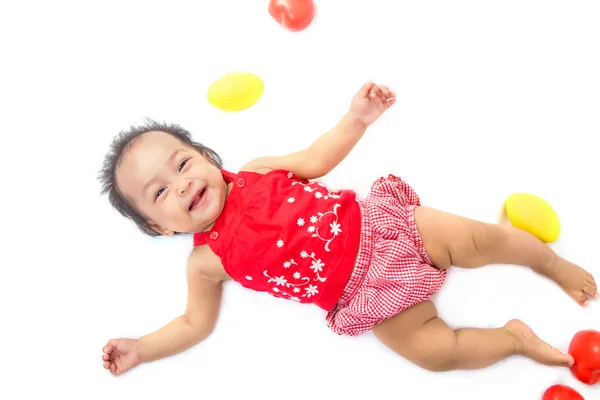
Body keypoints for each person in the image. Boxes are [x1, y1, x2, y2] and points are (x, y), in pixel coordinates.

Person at [99, 81, 597, 376]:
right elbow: (194, 324)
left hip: (386, 229)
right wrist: (142, 348)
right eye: (160, 193)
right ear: (158, 228)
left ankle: (551, 261)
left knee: (482, 240)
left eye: (182, 164)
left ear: (207, 157)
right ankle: (513, 340)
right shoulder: (205, 264)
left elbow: (317, 157)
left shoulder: (256, 171)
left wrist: (356, 119)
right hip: (359, 295)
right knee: (435, 354)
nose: (181, 185)